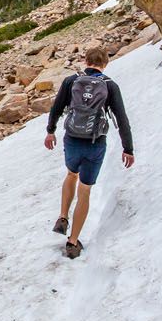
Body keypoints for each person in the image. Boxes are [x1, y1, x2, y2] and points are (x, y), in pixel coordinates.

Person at [43, 46, 134, 258]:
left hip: (72, 139)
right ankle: (73, 242)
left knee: (70, 174)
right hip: (95, 144)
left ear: (86, 61)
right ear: (105, 64)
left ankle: (63, 216)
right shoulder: (110, 86)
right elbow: (121, 119)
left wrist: (50, 131)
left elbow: (56, 108)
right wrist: (127, 148)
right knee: (85, 190)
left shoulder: (71, 81)